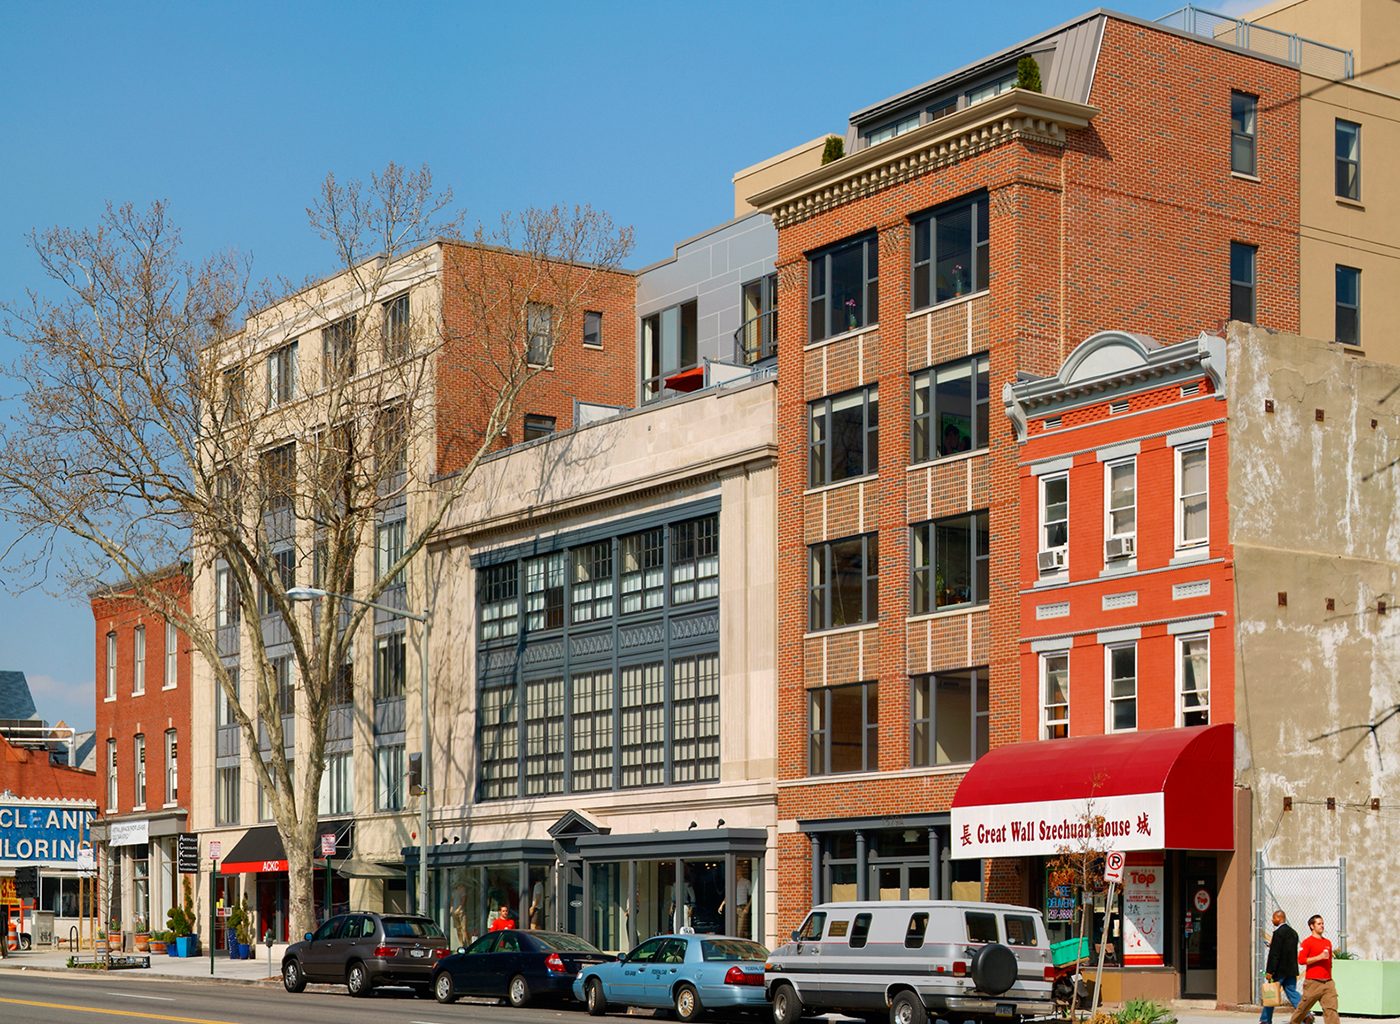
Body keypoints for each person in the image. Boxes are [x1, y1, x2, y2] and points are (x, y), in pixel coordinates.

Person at [1289, 915, 1339, 1024]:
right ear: (1312, 926)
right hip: (1313, 983)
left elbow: (1329, 962)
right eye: (1319, 924)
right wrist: (1319, 957)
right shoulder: (1307, 942)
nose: (1322, 926)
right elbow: (1301, 960)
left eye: (1322, 923)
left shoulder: (1327, 943)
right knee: (1303, 1009)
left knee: (1331, 1009)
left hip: (1328, 982)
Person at [1261, 910, 1303, 1024]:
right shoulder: (1293, 933)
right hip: (1291, 969)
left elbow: (1275, 954)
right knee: (1292, 992)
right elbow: (1288, 951)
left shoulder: (1278, 933)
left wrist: (1270, 971)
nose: (1272, 920)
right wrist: (1273, 945)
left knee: (1271, 994)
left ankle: (1265, 1020)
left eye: (1273, 918)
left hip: (1279, 970)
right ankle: (1305, 1014)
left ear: (1279, 918)